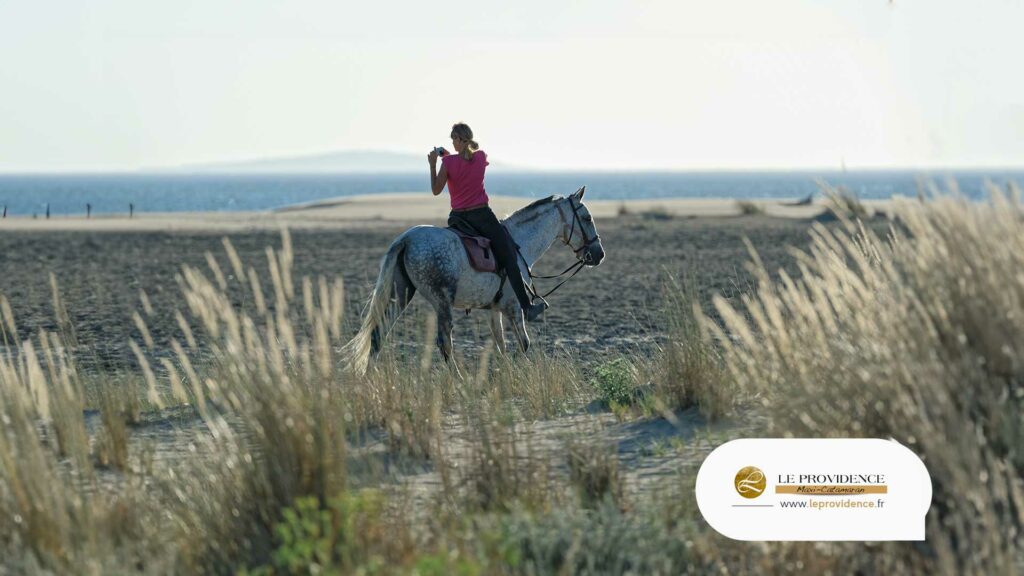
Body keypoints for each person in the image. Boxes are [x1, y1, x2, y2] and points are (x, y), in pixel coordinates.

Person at [428, 122, 547, 321]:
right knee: (509, 258)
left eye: (453, 139)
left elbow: (435, 190)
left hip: (459, 218)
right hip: (482, 216)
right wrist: (452, 156)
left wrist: (434, 164)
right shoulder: (481, 157)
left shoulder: (448, 164)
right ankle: (527, 307)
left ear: (458, 139)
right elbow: (467, 162)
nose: (452, 142)